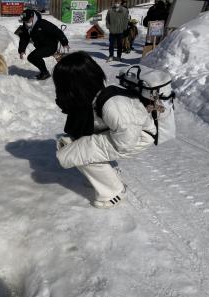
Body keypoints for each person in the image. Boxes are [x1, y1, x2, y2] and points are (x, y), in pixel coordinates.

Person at [53, 51, 156, 208]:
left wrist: (86, 145)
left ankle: (114, 191)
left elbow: (126, 142)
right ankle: (105, 176)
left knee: (77, 152)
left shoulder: (113, 105)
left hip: (137, 138)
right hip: (125, 135)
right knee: (76, 147)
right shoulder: (97, 93)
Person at [16, 9, 69, 80]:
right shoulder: (26, 27)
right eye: (24, 21)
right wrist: (22, 50)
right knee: (32, 57)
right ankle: (44, 72)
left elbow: (57, 31)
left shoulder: (42, 23)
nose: (26, 22)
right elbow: (24, 38)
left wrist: (64, 43)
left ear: (32, 17)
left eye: (27, 20)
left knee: (33, 56)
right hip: (41, 46)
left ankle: (45, 73)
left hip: (50, 46)